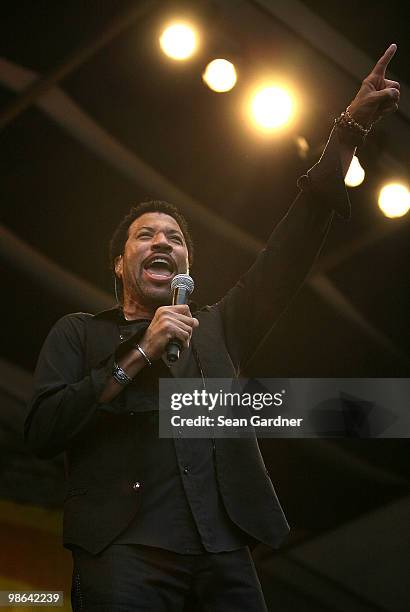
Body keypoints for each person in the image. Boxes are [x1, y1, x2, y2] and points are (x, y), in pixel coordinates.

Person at [25, 45, 400, 611]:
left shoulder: (218, 330)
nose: (162, 243)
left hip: (223, 553)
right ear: (119, 264)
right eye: (145, 235)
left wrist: (346, 131)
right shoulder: (79, 333)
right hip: (124, 551)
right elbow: (44, 431)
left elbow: (290, 248)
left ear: (186, 271)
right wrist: (138, 354)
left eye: (174, 238)